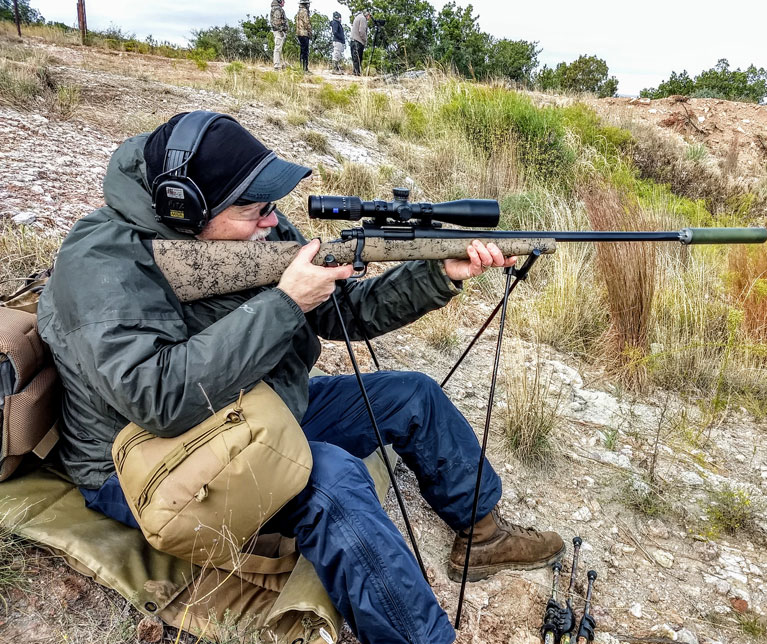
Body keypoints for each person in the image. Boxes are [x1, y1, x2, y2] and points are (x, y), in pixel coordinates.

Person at [35, 112, 565, 644]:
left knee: (413, 396)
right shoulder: (101, 259)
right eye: (252, 209)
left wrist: (436, 272)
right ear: (185, 208)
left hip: (254, 406)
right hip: (140, 461)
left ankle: (484, 536)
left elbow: (344, 314)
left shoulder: (252, 232)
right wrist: (287, 301)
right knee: (330, 482)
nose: (271, 221)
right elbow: (159, 398)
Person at [350, 9, 371, 76]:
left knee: (355, 58)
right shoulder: (363, 19)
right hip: (358, 41)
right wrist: (365, 40)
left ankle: (355, 72)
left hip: (353, 40)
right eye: (369, 16)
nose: (369, 18)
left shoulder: (358, 17)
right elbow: (362, 31)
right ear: (367, 15)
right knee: (358, 58)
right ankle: (357, 73)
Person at [269, 0, 288, 70]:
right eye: (283, 1)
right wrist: (281, 31)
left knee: (279, 48)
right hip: (279, 31)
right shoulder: (277, 9)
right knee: (277, 48)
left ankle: (279, 64)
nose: (284, 2)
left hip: (279, 31)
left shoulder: (276, 8)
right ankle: (276, 66)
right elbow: (277, 22)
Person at [295, 0, 312, 73]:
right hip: (304, 33)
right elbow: (307, 23)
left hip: (299, 33)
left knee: (302, 51)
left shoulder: (299, 11)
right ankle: (305, 68)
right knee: (305, 51)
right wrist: (310, 32)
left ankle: (301, 66)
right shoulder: (305, 11)